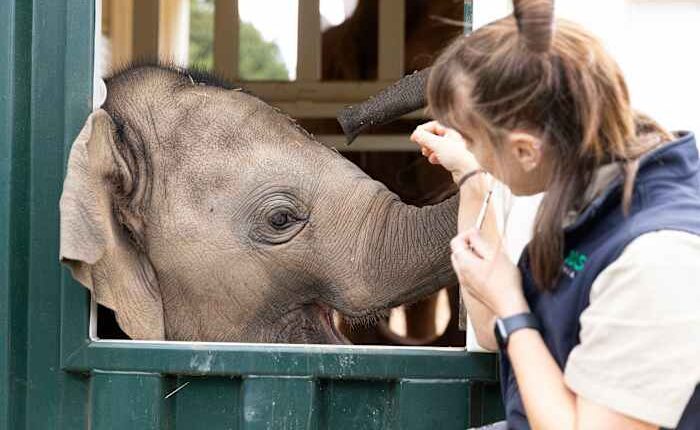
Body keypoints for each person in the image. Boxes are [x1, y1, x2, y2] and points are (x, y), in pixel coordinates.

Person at [410, 0, 700, 429]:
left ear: (526, 150)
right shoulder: (588, 196)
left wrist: (511, 302)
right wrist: (471, 177)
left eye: (472, 138)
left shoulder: (656, 257)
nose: (470, 149)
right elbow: (494, 333)